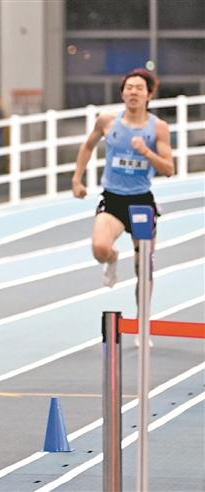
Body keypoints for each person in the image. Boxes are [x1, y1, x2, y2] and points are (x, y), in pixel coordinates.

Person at [72, 68, 173, 346]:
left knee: (144, 268)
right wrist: (77, 179)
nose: (133, 92)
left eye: (139, 88)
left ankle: (142, 325)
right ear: (122, 93)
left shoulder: (158, 128)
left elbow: (169, 169)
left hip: (141, 203)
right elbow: (87, 146)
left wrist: (146, 152)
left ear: (149, 95)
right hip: (113, 199)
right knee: (99, 249)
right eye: (129, 88)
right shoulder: (107, 120)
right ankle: (113, 258)